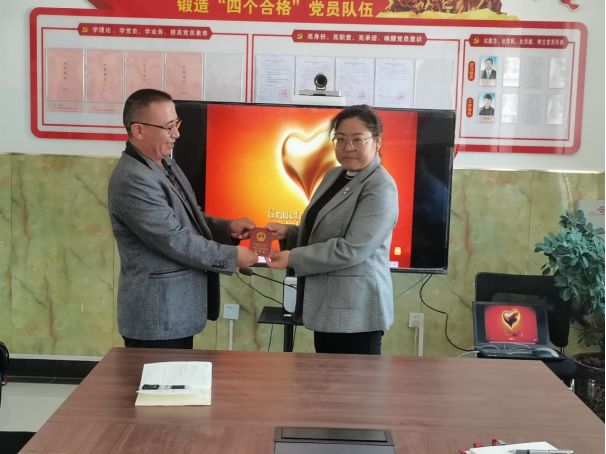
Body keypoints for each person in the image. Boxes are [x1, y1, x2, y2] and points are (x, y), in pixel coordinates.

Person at [108, 89, 258, 349]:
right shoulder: (133, 178)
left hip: (176, 313)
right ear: (138, 130)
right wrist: (232, 256)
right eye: (168, 127)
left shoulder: (165, 163)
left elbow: (190, 217)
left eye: (176, 124)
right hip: (157, 318)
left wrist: (227, 229)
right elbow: (175, 240)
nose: (176, 134)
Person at [266, 105, 398, 355]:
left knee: (354, 382)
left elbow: (352, 249)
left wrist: (293, 258)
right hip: (328, 306)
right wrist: (288, 233)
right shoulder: (335, 175)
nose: (348, 147)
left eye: (358, 140)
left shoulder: (380, 186)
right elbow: (323, 230)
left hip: (356, 312)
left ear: (377, 141)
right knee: (326, 379)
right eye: (341, 139)